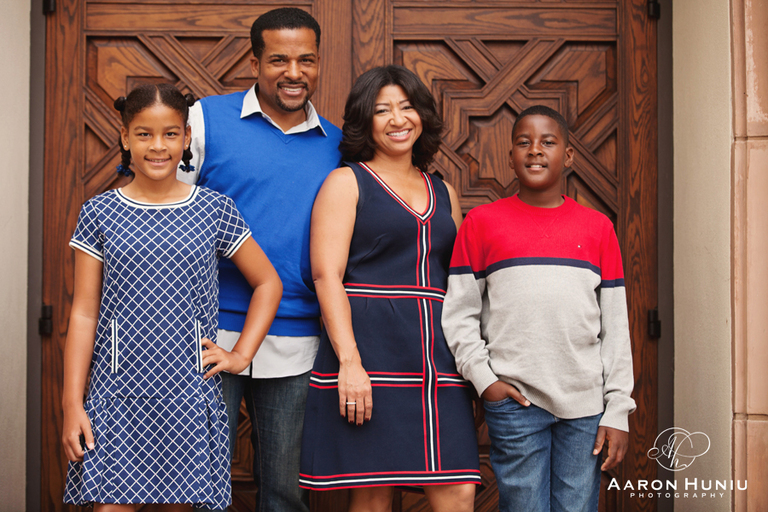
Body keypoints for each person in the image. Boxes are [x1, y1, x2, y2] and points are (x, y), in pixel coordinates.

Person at [61, 83, 282, 511]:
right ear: (125, 138)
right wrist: (73, 403)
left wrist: (240, 355)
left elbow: (268, 283)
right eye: (144, 134)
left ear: (185, 138)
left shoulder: (214, 209)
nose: (157, 146)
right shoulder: (99, 212)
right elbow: (85, 313)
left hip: (187, 394)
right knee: (110, 506)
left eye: (169, 134)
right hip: (116, 393)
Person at [178, 7, 343, 512]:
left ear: (318, 64)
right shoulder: (204, 119)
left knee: (286, 492)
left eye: (306, 60)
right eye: (279, 60)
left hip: (298, 337)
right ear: (254, 61)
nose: (294, 73)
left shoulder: (338, 144)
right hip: (206, 335)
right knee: (198, 488)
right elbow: (169, 213)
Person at [300, 65, 480, 512]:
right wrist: (350, 363)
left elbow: (459, 282)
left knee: (456, 488)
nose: (398, 119)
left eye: (407, 107)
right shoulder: (346, 182)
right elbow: (327, 276)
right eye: (382, 110)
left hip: (438, 361)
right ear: (365, 121)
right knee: (375, 494)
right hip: (371, 356)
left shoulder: (445, 192)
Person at [442, 105, 636, 512]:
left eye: (548, 142)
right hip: (515, 401)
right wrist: (485, 380)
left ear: (567, 157)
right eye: (523, 142)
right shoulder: (481, 224)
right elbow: (459, 314)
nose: (535, 151)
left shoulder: (598, 228)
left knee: (576, 507)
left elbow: (615, 327)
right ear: (510, 156)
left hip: (585, 405)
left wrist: (617, 408)